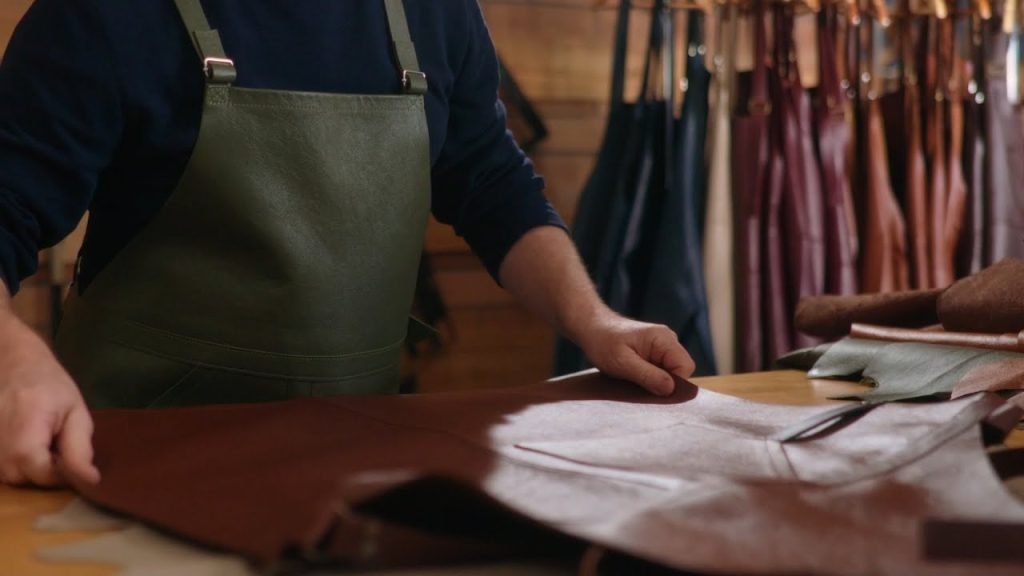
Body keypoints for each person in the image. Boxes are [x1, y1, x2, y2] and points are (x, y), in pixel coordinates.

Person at [0, 0, 695, 488]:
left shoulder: (435, 12)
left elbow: (491, 183)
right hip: (130, 461)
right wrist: (16, 358)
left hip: (353, 463)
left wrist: (595, 321)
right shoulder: (103, 13)